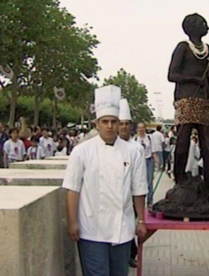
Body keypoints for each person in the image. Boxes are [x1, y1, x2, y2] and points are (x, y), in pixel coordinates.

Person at [62, 85, 148, 276]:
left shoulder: (133, 152)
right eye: (105, 121)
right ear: (97, 123)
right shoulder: (82, 151)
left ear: (119, 123)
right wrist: (72, 221)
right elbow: (72, 189)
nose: (110, 126)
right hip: (91, 228)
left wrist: (141, 220)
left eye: (114, 121)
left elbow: (139, 190)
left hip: (122, 228)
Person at [168, 13, 209, 192]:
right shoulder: (183, 47)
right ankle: (180, 181)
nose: (207, 26)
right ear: (192, 27)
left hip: (202, 101)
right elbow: (172, 75)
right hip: (186, 99)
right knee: (182, 143)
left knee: (207, 146)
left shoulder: (208, 49)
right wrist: (195, 79)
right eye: (203, 23)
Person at [118, 98, 147, 269]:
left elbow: (140, 178)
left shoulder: (137, 148)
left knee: (131, 227)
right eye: (120, 123)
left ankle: (131, 255)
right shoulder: (112, 146)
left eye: (126, 124)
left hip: (132, 197)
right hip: (117, 196)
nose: (123, 127)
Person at [135, 122, 156, 207]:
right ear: (137, 129)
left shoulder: (149, 138)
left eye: (142, 128)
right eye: (139, 128)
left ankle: (150, 201)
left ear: (145, 128)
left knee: (149, 182)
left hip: (149, 160)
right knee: (140, 182)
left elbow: (153, 149)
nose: (141, 130)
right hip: (139, 162)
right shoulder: (135, 139)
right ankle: (140, 202)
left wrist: (157, 161)